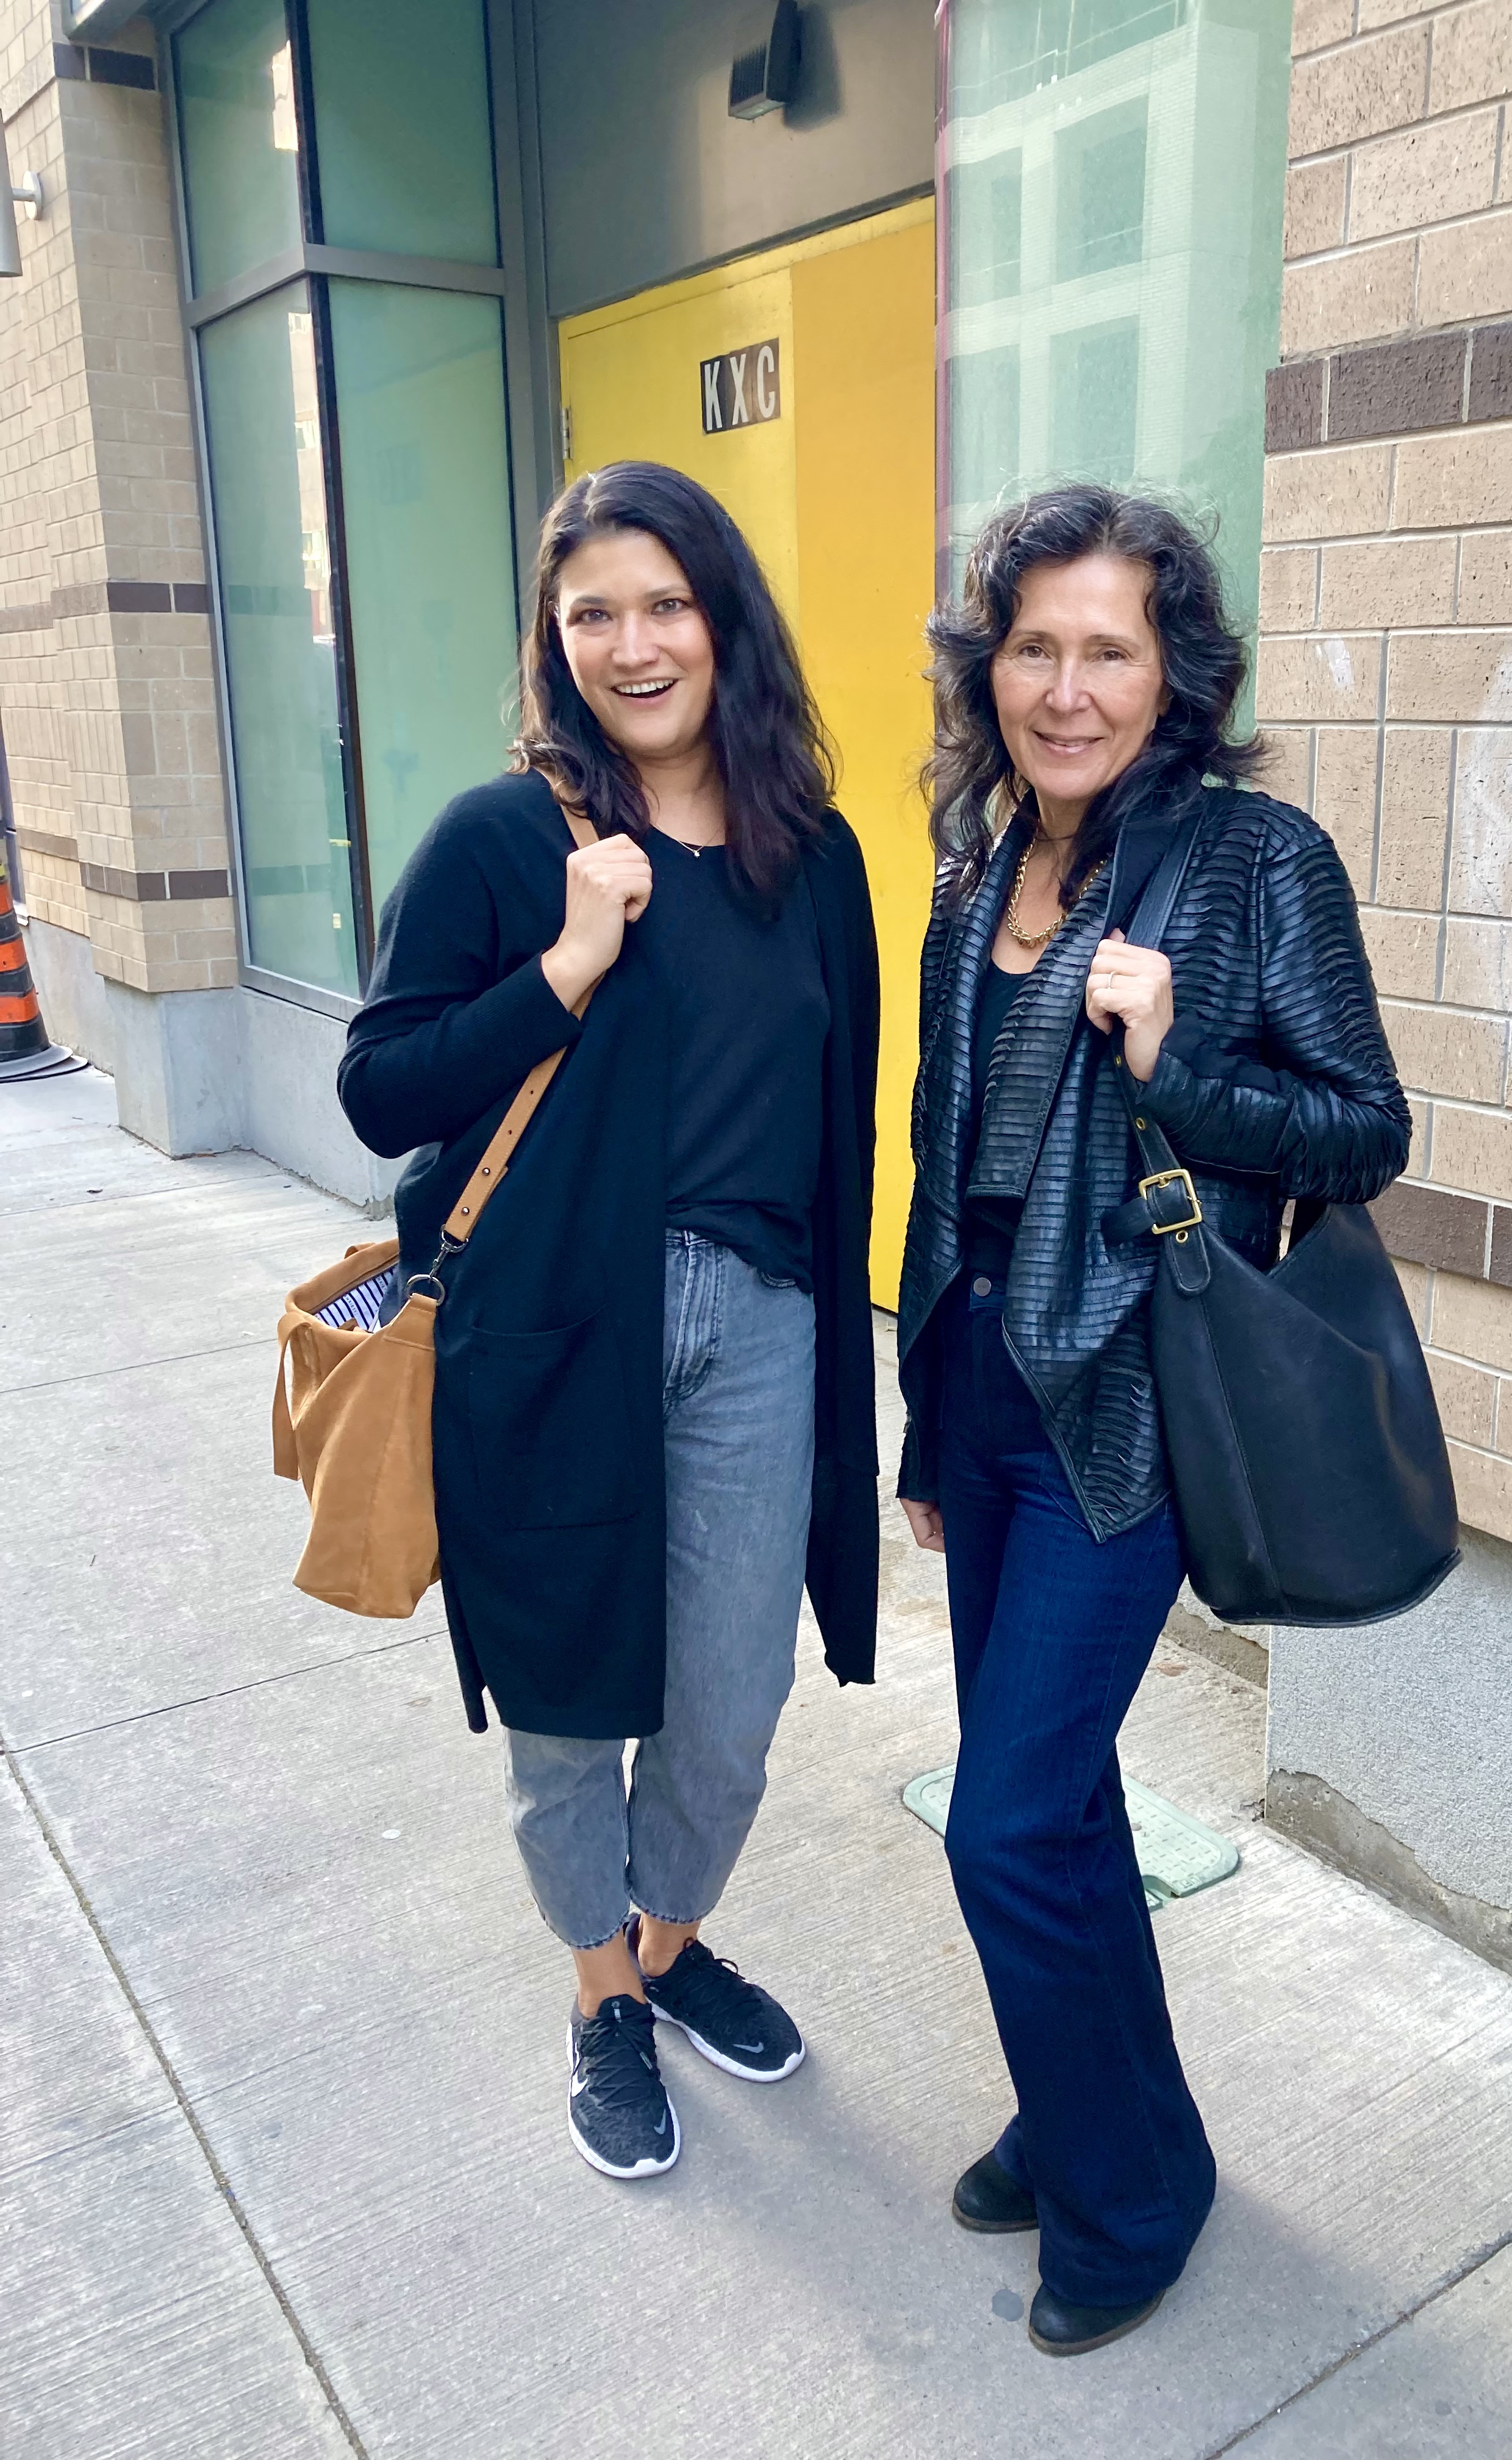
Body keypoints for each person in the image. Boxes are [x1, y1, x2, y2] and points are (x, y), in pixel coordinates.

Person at [895, 484, 1411, 2356]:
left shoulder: (1257, 862)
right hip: (981, 1390)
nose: (1067, 688)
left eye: (1107, 650)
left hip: (1123, 1410)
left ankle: (1129, 2205)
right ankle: (1089, 2113)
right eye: (1032, 647)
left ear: (1174, 673)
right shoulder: (978, 868)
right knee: (1060, 1809)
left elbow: (1365, 1129)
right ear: (990, 669)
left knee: (1007, 1827)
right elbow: (942, 1154)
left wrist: (1178, 1061)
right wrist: (921, 1427)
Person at [339, 462, 879, 2183]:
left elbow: (845, 1122)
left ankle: (666, 1941)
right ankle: (601, 1996)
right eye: (593, 615)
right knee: (570, 1693)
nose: (633, 646)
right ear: (554, 638)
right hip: (560, 1327)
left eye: (665, 606)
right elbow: (381, 1087)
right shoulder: (505, 840)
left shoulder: (816, 856)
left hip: (763, 1322)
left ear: (725, 621)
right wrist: (562, 969)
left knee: (731, 1702)